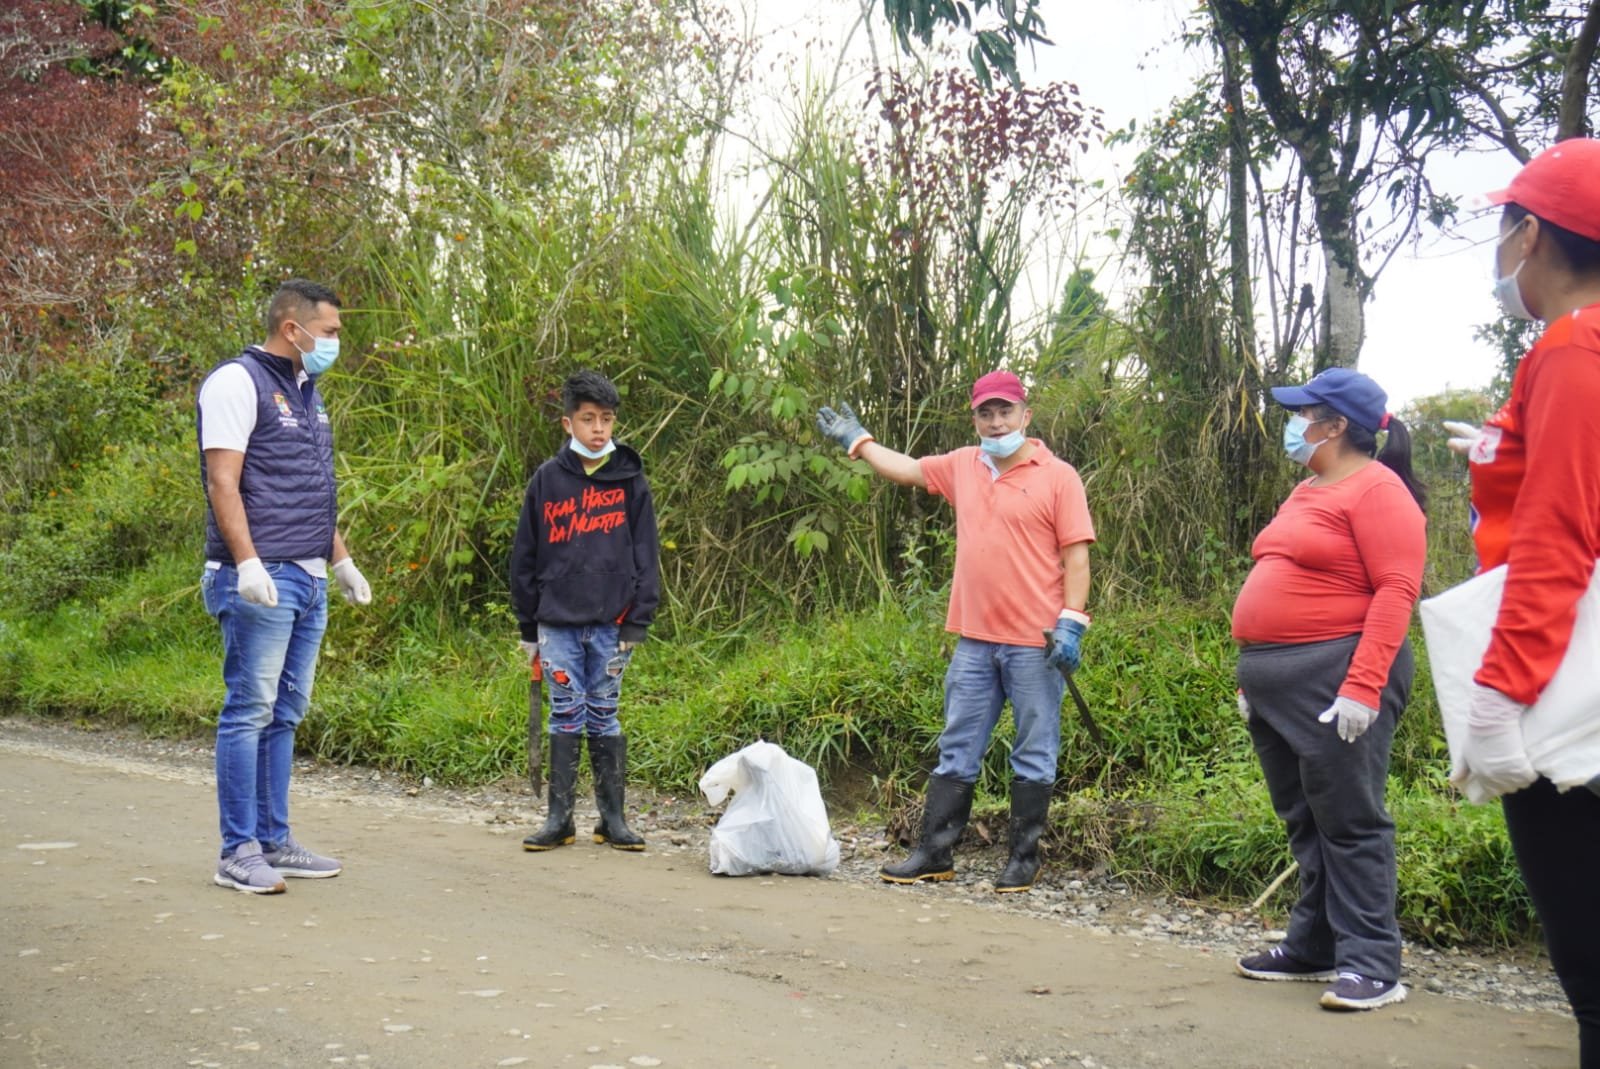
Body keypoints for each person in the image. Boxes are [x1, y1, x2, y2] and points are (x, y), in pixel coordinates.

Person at [815, 370, 1095, 893]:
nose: (996, 422)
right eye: (986, 413)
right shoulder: (965, 465)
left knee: (1034, 749)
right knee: (957, 745)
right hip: (974, 640)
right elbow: (907, 469)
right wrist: (858, 440)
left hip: (1035, 643)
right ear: (975, 419)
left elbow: (1076, 557)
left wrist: (1071, 624)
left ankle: (1023, 858)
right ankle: (934, 853)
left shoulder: (1059, 477)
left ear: (1026, 415)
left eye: (1005, 411)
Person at [1448, 138, 1600, 1067]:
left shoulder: (1574, 346)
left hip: (1564, 684)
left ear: (1532, 234)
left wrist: (1500, 693)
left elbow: (1558, 535)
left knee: (1592, 966)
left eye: (1505, 228)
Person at [1229, 367, 1426, 1011]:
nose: (1294, 425)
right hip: (1277, 681)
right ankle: (1315, 946)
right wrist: (1255, 680)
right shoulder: (1307, 488)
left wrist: (1363, 687)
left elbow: (1397, 590)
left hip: (1337, 674)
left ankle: (1372, 963)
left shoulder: (1379, 490)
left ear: (1336, 425)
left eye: (1303, 414)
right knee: (1305, 819)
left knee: (1350, 821)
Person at [197, 279, 373, 894]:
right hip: (259, 578)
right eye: (330, 332)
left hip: (308, 576)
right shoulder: (236, 382)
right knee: (249, 710)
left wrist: (341, 561)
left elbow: (307, 492)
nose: (336, 342)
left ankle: (274, 840)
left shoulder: (308, 393)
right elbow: (223, 481)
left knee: (284, 713)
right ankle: (237, 851)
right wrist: (246, 563)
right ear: (292, 329)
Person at [511, 370, 660, 853]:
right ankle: (560, 819)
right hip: (556, 624)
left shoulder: (630, 479)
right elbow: (525, 555)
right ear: (568, 423)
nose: (598, 429)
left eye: (607, 419)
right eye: (589, 419)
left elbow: (646, 551)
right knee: (565, 714)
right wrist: (528, 625)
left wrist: (638, 618)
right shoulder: (547, 480)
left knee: (604, 713)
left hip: (613, 625)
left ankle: (612, 819)